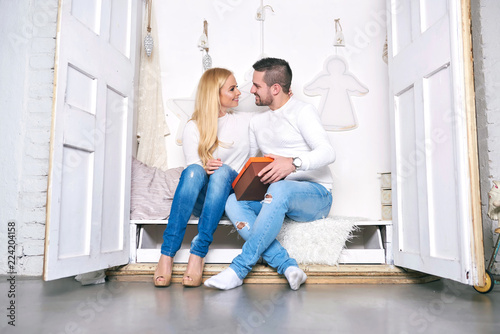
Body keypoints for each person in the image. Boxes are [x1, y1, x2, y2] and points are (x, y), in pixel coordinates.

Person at [204, 58, 336, 291]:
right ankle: (287, 266)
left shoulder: (302, 111)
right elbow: (251, 163)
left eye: (256, 85)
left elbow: (328, 152)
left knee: (279, 188)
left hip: (316, 196)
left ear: (275, 88)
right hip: (277, 197)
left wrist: (293, 164)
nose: (250, 90)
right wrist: (213, 166)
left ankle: (238, 269)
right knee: (234, 201)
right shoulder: (257, 122)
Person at [154, 68, 251, 287]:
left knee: (223, 170)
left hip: (228, 195)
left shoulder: (245, 121)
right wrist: (204, 167)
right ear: (215, 94)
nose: (239, 93)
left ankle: (198, 253)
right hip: (203, 198)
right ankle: (167, 254)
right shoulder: (193, 126)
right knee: (193, 171)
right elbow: (194, 173)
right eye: (232, 89)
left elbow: (275, 116)